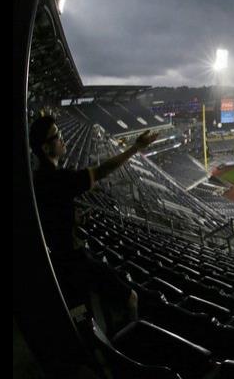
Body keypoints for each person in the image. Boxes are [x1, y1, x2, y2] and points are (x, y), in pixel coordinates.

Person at [29, 115, 159, 321]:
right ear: (46, 148)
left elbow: (53, 217)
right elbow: (101, 171)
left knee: (84, 312)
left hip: (62, 261)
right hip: (72, 261)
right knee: (131, 298)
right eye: (57, 135)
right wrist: (135, 148)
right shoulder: (57, 179)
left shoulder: (39, 178)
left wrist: (74, 218)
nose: (62, 138)